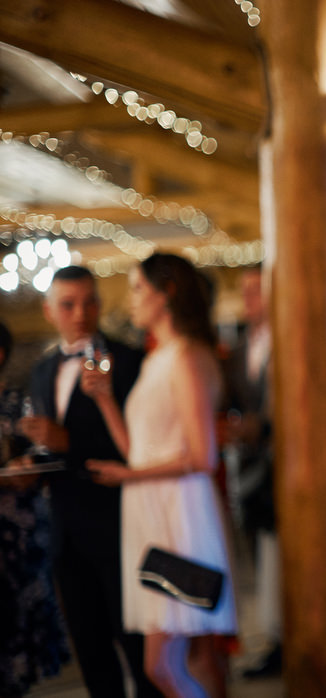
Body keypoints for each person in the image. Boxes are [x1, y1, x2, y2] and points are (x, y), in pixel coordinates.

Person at [85, 253, 238, 697]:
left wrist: (127, 477)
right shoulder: (158, 358)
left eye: (137, 288)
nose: (130, 299)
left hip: (178, 516)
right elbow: (138, 452)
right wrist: (105, 400)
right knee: (166, 664)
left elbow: (203, 457)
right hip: (153, 510)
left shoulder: (186, 357)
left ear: (165, 293)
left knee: (164, 666)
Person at [17, 266, 159, 698]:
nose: (81, 313)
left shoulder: (131, 360)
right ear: (49, 312)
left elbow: (143, 446)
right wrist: (31, 465)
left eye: (89, 302)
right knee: (91, 650)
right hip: (64, 529)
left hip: (118, 523)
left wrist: (69, 442)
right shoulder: (42, 370)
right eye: (68, 305)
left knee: (140, 649)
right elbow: (50, 445)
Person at [1, 320, 70, 696]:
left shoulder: (19, 402)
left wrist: (29, 466)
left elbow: (43, 454)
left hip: (20, 529)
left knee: (21, 622)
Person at [221, 265, 281, 678]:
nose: (248, 299)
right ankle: (275, 638)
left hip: (283, 465)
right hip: (251, 468)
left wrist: (264, 426)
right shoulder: (240, 347)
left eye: (256, 290)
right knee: (262, 557)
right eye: (245, 291)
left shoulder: (289, 342)